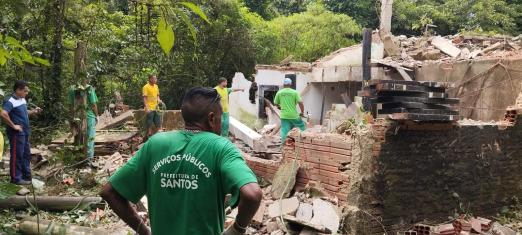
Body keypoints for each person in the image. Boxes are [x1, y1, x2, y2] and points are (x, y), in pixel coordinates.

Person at [100, 87, 262, 235]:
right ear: (211, 119)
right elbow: (252, 194)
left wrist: (143, 231)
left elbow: (109, 192)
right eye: (220, 118)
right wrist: (237, 229)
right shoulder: (221, 148)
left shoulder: (155, 144)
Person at [1, 80, 42, 185]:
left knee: (25, 154)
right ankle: (15, 179)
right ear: (18, 90)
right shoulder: (10, 101)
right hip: (16, 134)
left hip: (25, 131)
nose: (26, 93)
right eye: (25, 91)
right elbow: (3, 114)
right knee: (17, 155)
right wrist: (13, 125)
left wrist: (33, 112)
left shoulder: (22, 99)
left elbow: (24, 112)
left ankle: (26, 176)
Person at [68, 78, 99, 160]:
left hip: (76, 116)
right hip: (89, 117)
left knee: (78, 138)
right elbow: (93, 104)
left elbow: (71, 106)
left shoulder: (71, 89)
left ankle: (78, 159)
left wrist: (71, 119)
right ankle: (88, 161)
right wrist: (97, 116)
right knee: (90, 139)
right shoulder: (89, 88)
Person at [274, 78, 306, 142]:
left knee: (284, 131)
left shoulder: (279, 92)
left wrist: (279, 107)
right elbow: (300, 103)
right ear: (290, 84)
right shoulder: (295, 92)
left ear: (283, 84)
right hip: (294, 115)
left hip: (284, 116)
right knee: (302, 127)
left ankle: (283, 146)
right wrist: (302, 112)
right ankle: (303, 142)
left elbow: (275, 103)